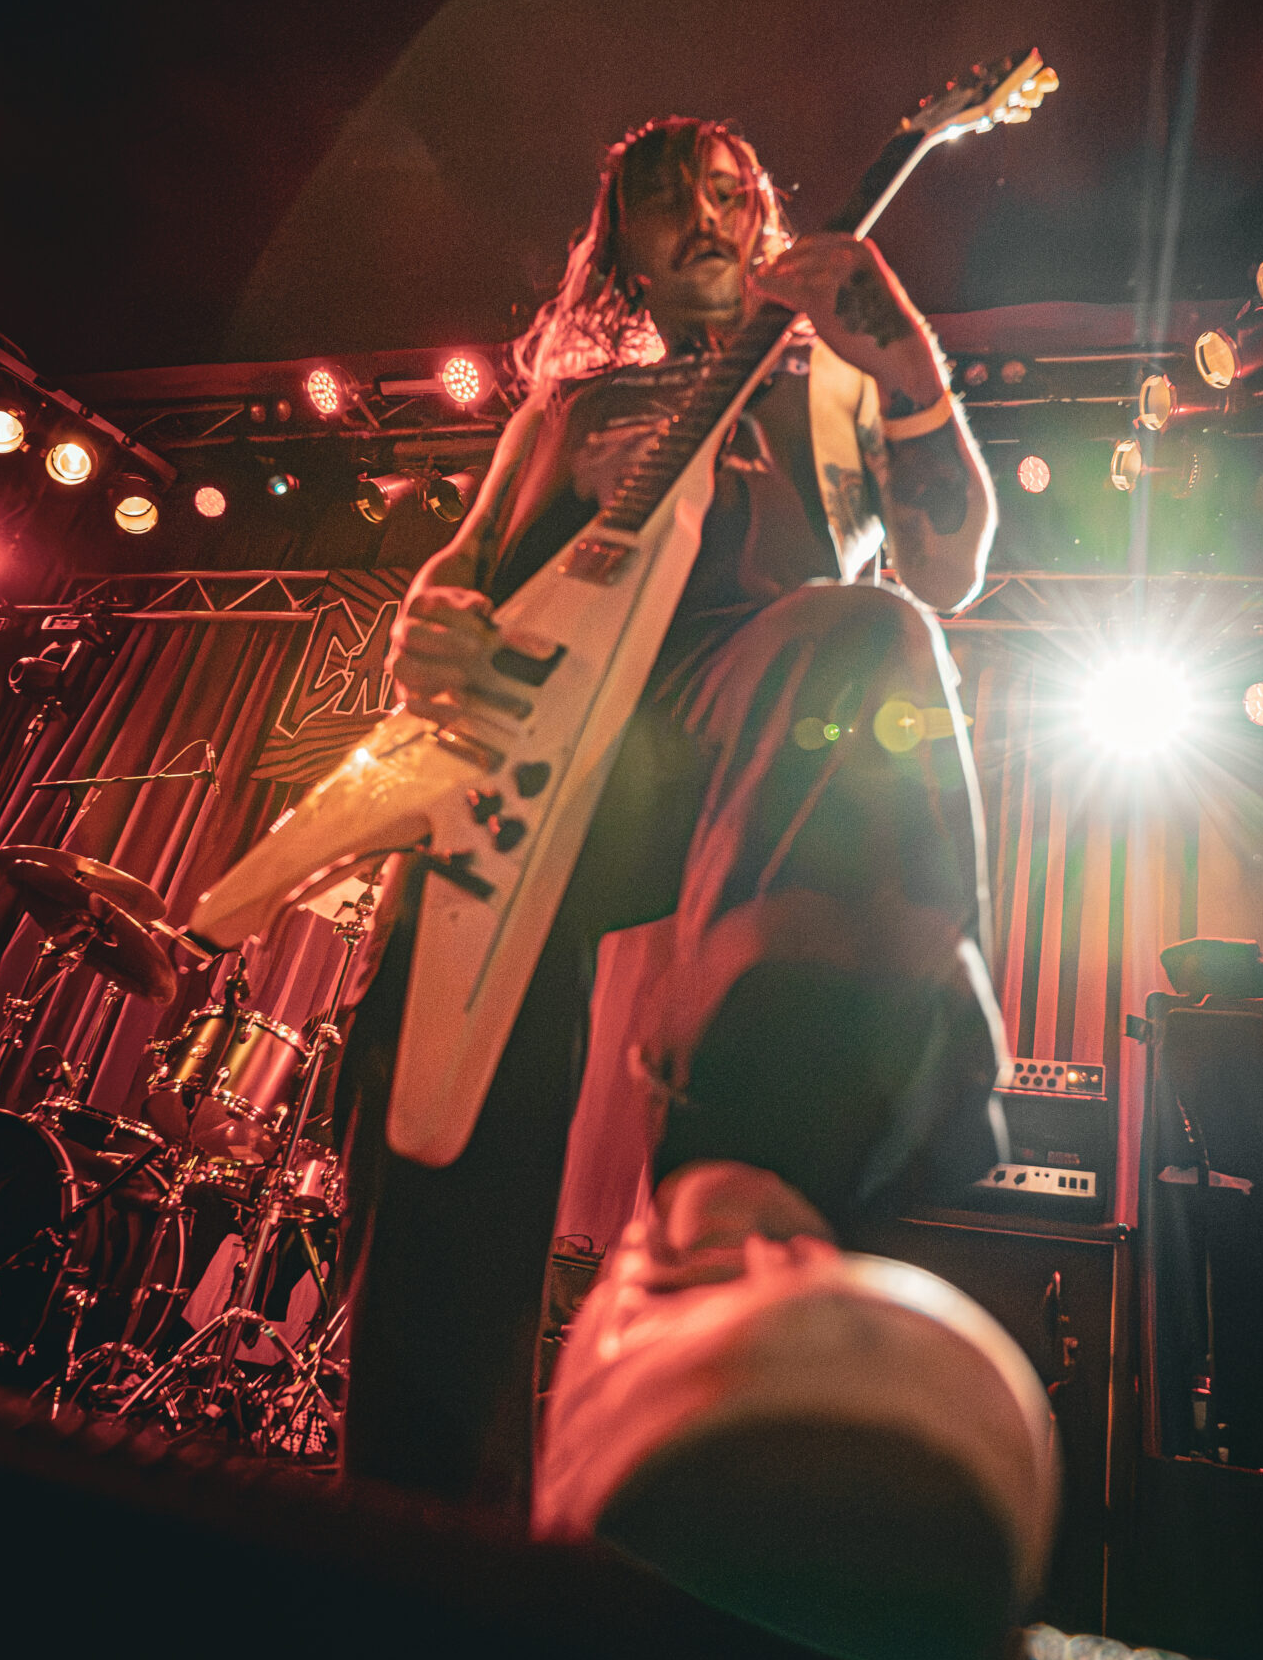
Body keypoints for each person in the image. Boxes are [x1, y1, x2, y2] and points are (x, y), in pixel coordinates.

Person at [338, 116, 1011, 1516]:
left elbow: (948, 572)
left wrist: (907, 365)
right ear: (624, 255)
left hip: (732, 703)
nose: (702, 220)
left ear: (765, 224)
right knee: (441, 1082)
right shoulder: (562, 408)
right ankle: (418, 1516)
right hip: (540, 747)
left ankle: (745, 1189)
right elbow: (460, 570)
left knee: (869, 636)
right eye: (665, 204)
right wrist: (432, 627)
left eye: (726, 195)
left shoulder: (829, 387)